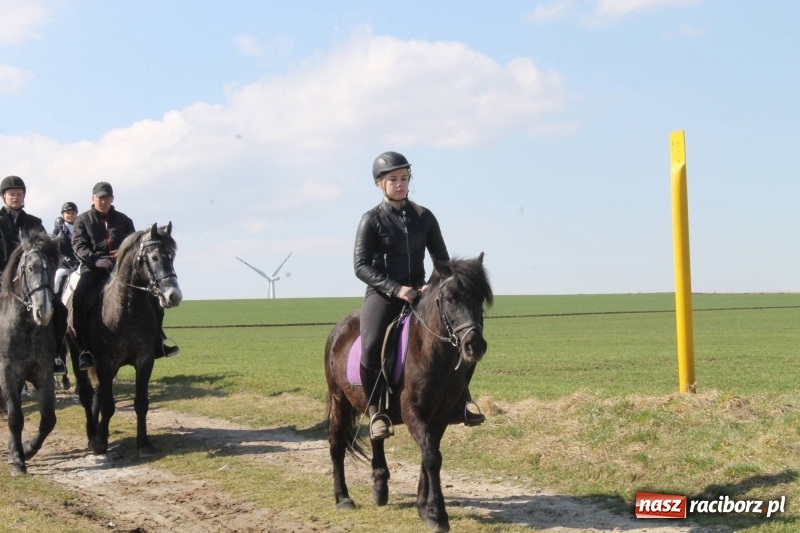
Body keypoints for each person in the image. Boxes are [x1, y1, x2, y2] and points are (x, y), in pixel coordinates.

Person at [353, 151, 484, 441]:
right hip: (383, 294)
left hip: (421, 293)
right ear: (380, 184)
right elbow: (360, 266)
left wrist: (430, 284)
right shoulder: (371, 220)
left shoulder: (424, 217)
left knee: (463, 335)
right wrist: (396, 289)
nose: (400, 184)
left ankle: (461, 401)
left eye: (404, 178)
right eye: (393, 179)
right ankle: (376, 412)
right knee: (371, 345)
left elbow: (442, 261)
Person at [71, 181, 179, 371]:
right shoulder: (82, 220)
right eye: (100, 198)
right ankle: (84, 349)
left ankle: (157, 341)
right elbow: (78, 246)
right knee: (79, 298)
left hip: (121, 270)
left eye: (107, 198)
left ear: (112, 199)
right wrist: (96, 260)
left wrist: (120, 257)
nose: (103, 201)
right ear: (92, 199)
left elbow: (135, 247)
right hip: (93, 269)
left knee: (153, 298)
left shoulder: (124, 220)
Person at [0, 175, 69, 375]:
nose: (16, 197)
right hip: (2, 279)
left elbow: (48, 250)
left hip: (31, 281)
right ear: (4, 197)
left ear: (24, 196)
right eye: (12, 194)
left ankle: (55, 356)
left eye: (19, 194)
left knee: (61, 311)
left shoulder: (34, 222)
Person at [53, 202, 80, 297]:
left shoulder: (81, 229)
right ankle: (54, 301)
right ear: (62, 215)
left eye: (73, 213)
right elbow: (55, 249)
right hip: (64, 265)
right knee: (56, 281)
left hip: (79, 264)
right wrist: (64, 259)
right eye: (68, 213)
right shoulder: (58, 230)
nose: (70, 215)